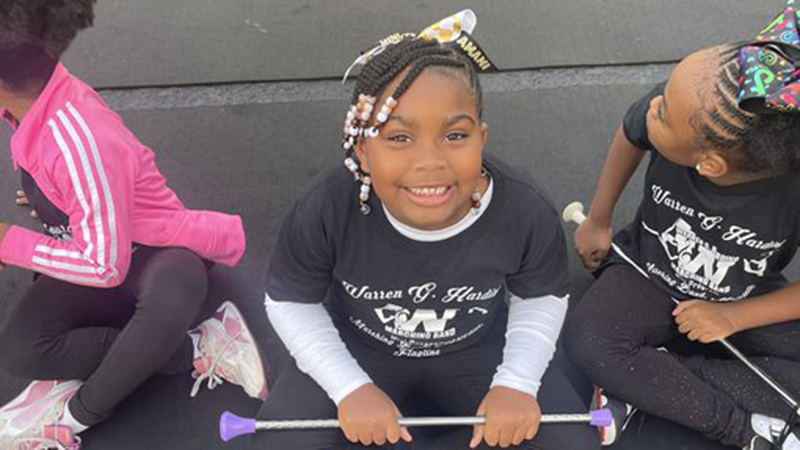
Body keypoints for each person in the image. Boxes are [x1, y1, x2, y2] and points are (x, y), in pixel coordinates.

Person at [256, 10, 599, 450]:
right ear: (363, 150)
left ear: (482, 137)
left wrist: (516, 383)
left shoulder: (524, 208)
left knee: (572, 443)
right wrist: (349, 389)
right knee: (280, 444)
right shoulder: (326, 207)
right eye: (399, 138)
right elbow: (290, 301)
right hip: (363, 349)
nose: (430, 161)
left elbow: (540, 296)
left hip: (479, 350)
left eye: (455, 136)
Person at [0, 1, 266, 448]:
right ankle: (191, 350)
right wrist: (51, 198)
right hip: (101, 246)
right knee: (21, 347)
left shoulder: (78, 139)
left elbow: (106, 267)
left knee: (171, 291)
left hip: (154, 254)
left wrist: (9, 241)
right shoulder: (34, 98)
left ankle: (72, 418)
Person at [564, 1, 800, 449]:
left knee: (625, 361)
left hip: (745, 297)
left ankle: (662, 377)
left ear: (708, 164)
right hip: (650, 276)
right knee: (588, 340)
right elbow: (630, 132)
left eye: (664, 112)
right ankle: (739, 427)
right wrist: (598, 218)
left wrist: (733, 316)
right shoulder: (672, 111)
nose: (655, 104)